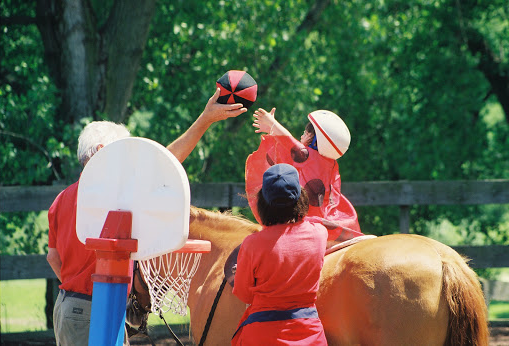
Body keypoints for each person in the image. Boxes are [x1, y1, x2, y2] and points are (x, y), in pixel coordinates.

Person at [46, 88, 247, 346]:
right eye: (122, 152)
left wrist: (75, 289)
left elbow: (53, 257)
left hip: (69, 306)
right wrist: (204, 119)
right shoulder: (113, 192)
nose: (130, 162)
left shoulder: (62, 198)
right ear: (99, 151)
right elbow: (166, 164)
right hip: (95, 307)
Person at [232, 163, 328, 345]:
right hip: (309, 334)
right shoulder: (319, 234)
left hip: (262, 335)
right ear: (301, 198)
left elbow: (244, 295)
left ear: (263, 202)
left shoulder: (251, 244)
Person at [245, 107, 364, 243]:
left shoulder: (308, 157)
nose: (301, 136)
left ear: (314, 141)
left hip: (312, 223)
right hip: (332, 223)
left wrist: (272, 124)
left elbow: (290, 144)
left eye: (305, 132)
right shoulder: (328, 164)